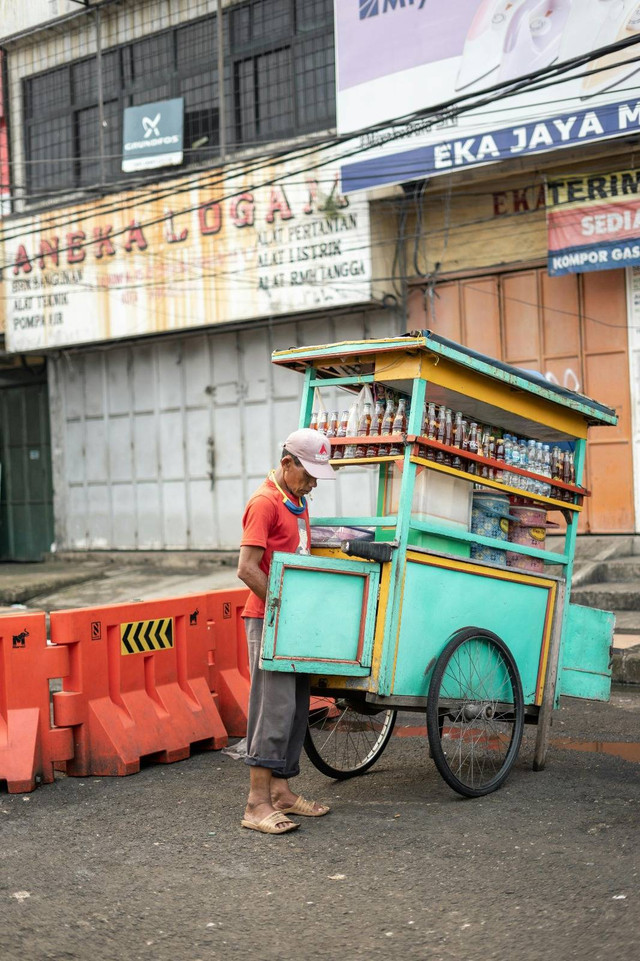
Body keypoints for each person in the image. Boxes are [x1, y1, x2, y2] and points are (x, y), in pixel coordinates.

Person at [237, 428, 336, 835]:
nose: (312, 482)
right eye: (307, 472)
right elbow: (246, 567)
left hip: (292, 620)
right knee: (272, 709)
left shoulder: (297, 501)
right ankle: (255, 804)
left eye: (317, 475)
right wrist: (281, 609)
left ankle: (282, 793)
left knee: (295, 708)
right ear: (286, 463)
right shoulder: (264, 502)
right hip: (269, 618)